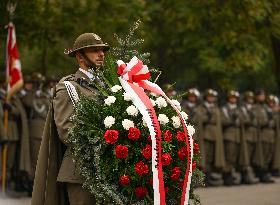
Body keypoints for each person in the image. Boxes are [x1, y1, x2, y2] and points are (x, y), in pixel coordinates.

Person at [31, 33, 110, 205]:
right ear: (80, 57)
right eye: (95, 50)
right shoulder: (68, 87)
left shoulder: (107, 86)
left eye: (102, 50)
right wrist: (105, 140)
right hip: (81, 172)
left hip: (108, 169)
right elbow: (67, 131)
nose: (101, 54)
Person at [197, 89, 225, 186]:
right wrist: (207, 118)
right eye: (209, 96)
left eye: (213, 97)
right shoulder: (201, 108)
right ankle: (204, 178)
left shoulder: (216, 108)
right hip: (205, 135)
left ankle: (209, 177)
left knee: (213, 157)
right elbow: (199, 119)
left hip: (215, 136)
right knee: (206, 157)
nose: (211, 98)